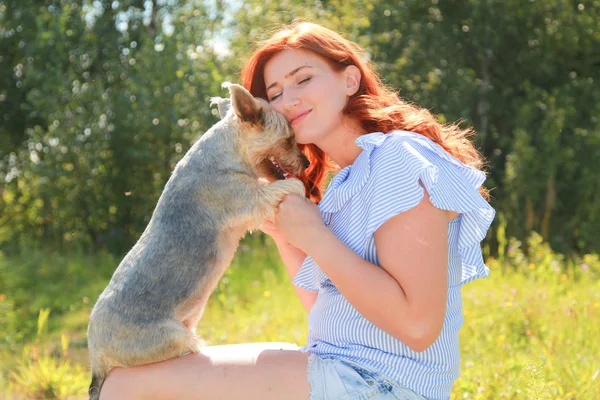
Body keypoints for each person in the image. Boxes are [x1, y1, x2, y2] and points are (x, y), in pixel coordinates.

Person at [99, 21, 495, 400]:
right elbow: (327, 305)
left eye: (303, 79)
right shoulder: (347, 181)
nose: (287, 101)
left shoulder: (397, 157)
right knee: (127, 380)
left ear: (349, 80)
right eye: (273, 93)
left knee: (125, 389)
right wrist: (286, 234)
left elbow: (417, 325)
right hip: (338, 366)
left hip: (382, 385)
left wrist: (315, 236)